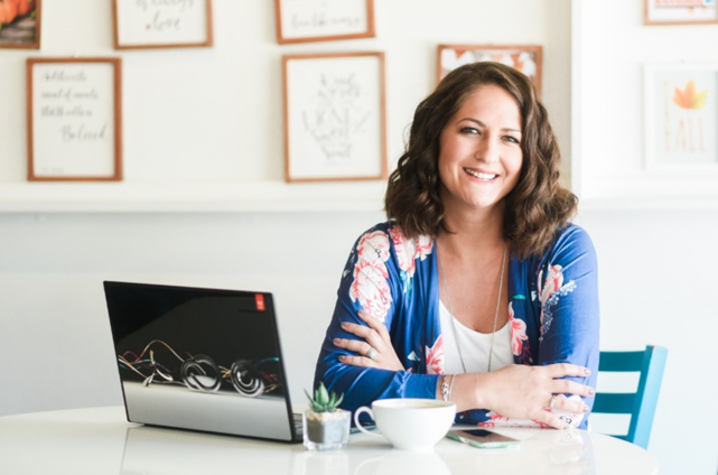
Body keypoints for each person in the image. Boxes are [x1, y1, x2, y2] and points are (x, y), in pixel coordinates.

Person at [313, 61, 599, 430]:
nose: (488, 153)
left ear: (528, 155)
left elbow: (565, 407)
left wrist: (406, 391)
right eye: (470, 130)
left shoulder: (562, 252)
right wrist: (486, 389)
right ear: (435, 138)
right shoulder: (383, 252)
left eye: (510, 138)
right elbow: (332, 391)